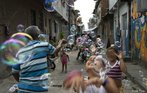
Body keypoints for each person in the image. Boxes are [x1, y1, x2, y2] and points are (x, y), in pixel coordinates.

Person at [12, 26, 66, 93]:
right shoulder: (44, 45)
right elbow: (55, 53)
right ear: (38, 35)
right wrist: (60, 43)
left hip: (23, 89)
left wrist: (22, 82)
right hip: (39, 89)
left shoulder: (20, 51)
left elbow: (14, 72)